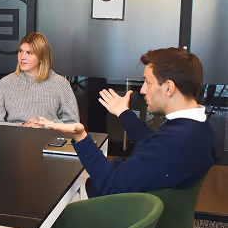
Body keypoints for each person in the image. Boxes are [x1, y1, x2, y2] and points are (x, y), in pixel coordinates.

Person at [39, 48, 215, 197]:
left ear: (168, 87)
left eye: (147, 82)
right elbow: (153, 143)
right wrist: (123, 113)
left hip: (111, 209)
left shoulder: (175, 140)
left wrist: (81, 137)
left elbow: (111, 185)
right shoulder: (197, 127)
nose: (143, 90)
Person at [0, 32, 79, 127]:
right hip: (13, 140)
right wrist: (22, 126)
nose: (22, 57)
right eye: (20, 51)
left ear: (42, 57)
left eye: (29, 53)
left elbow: (73, 123)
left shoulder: (61, 84)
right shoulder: (5, 83)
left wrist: (45, 126)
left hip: (48, 140)